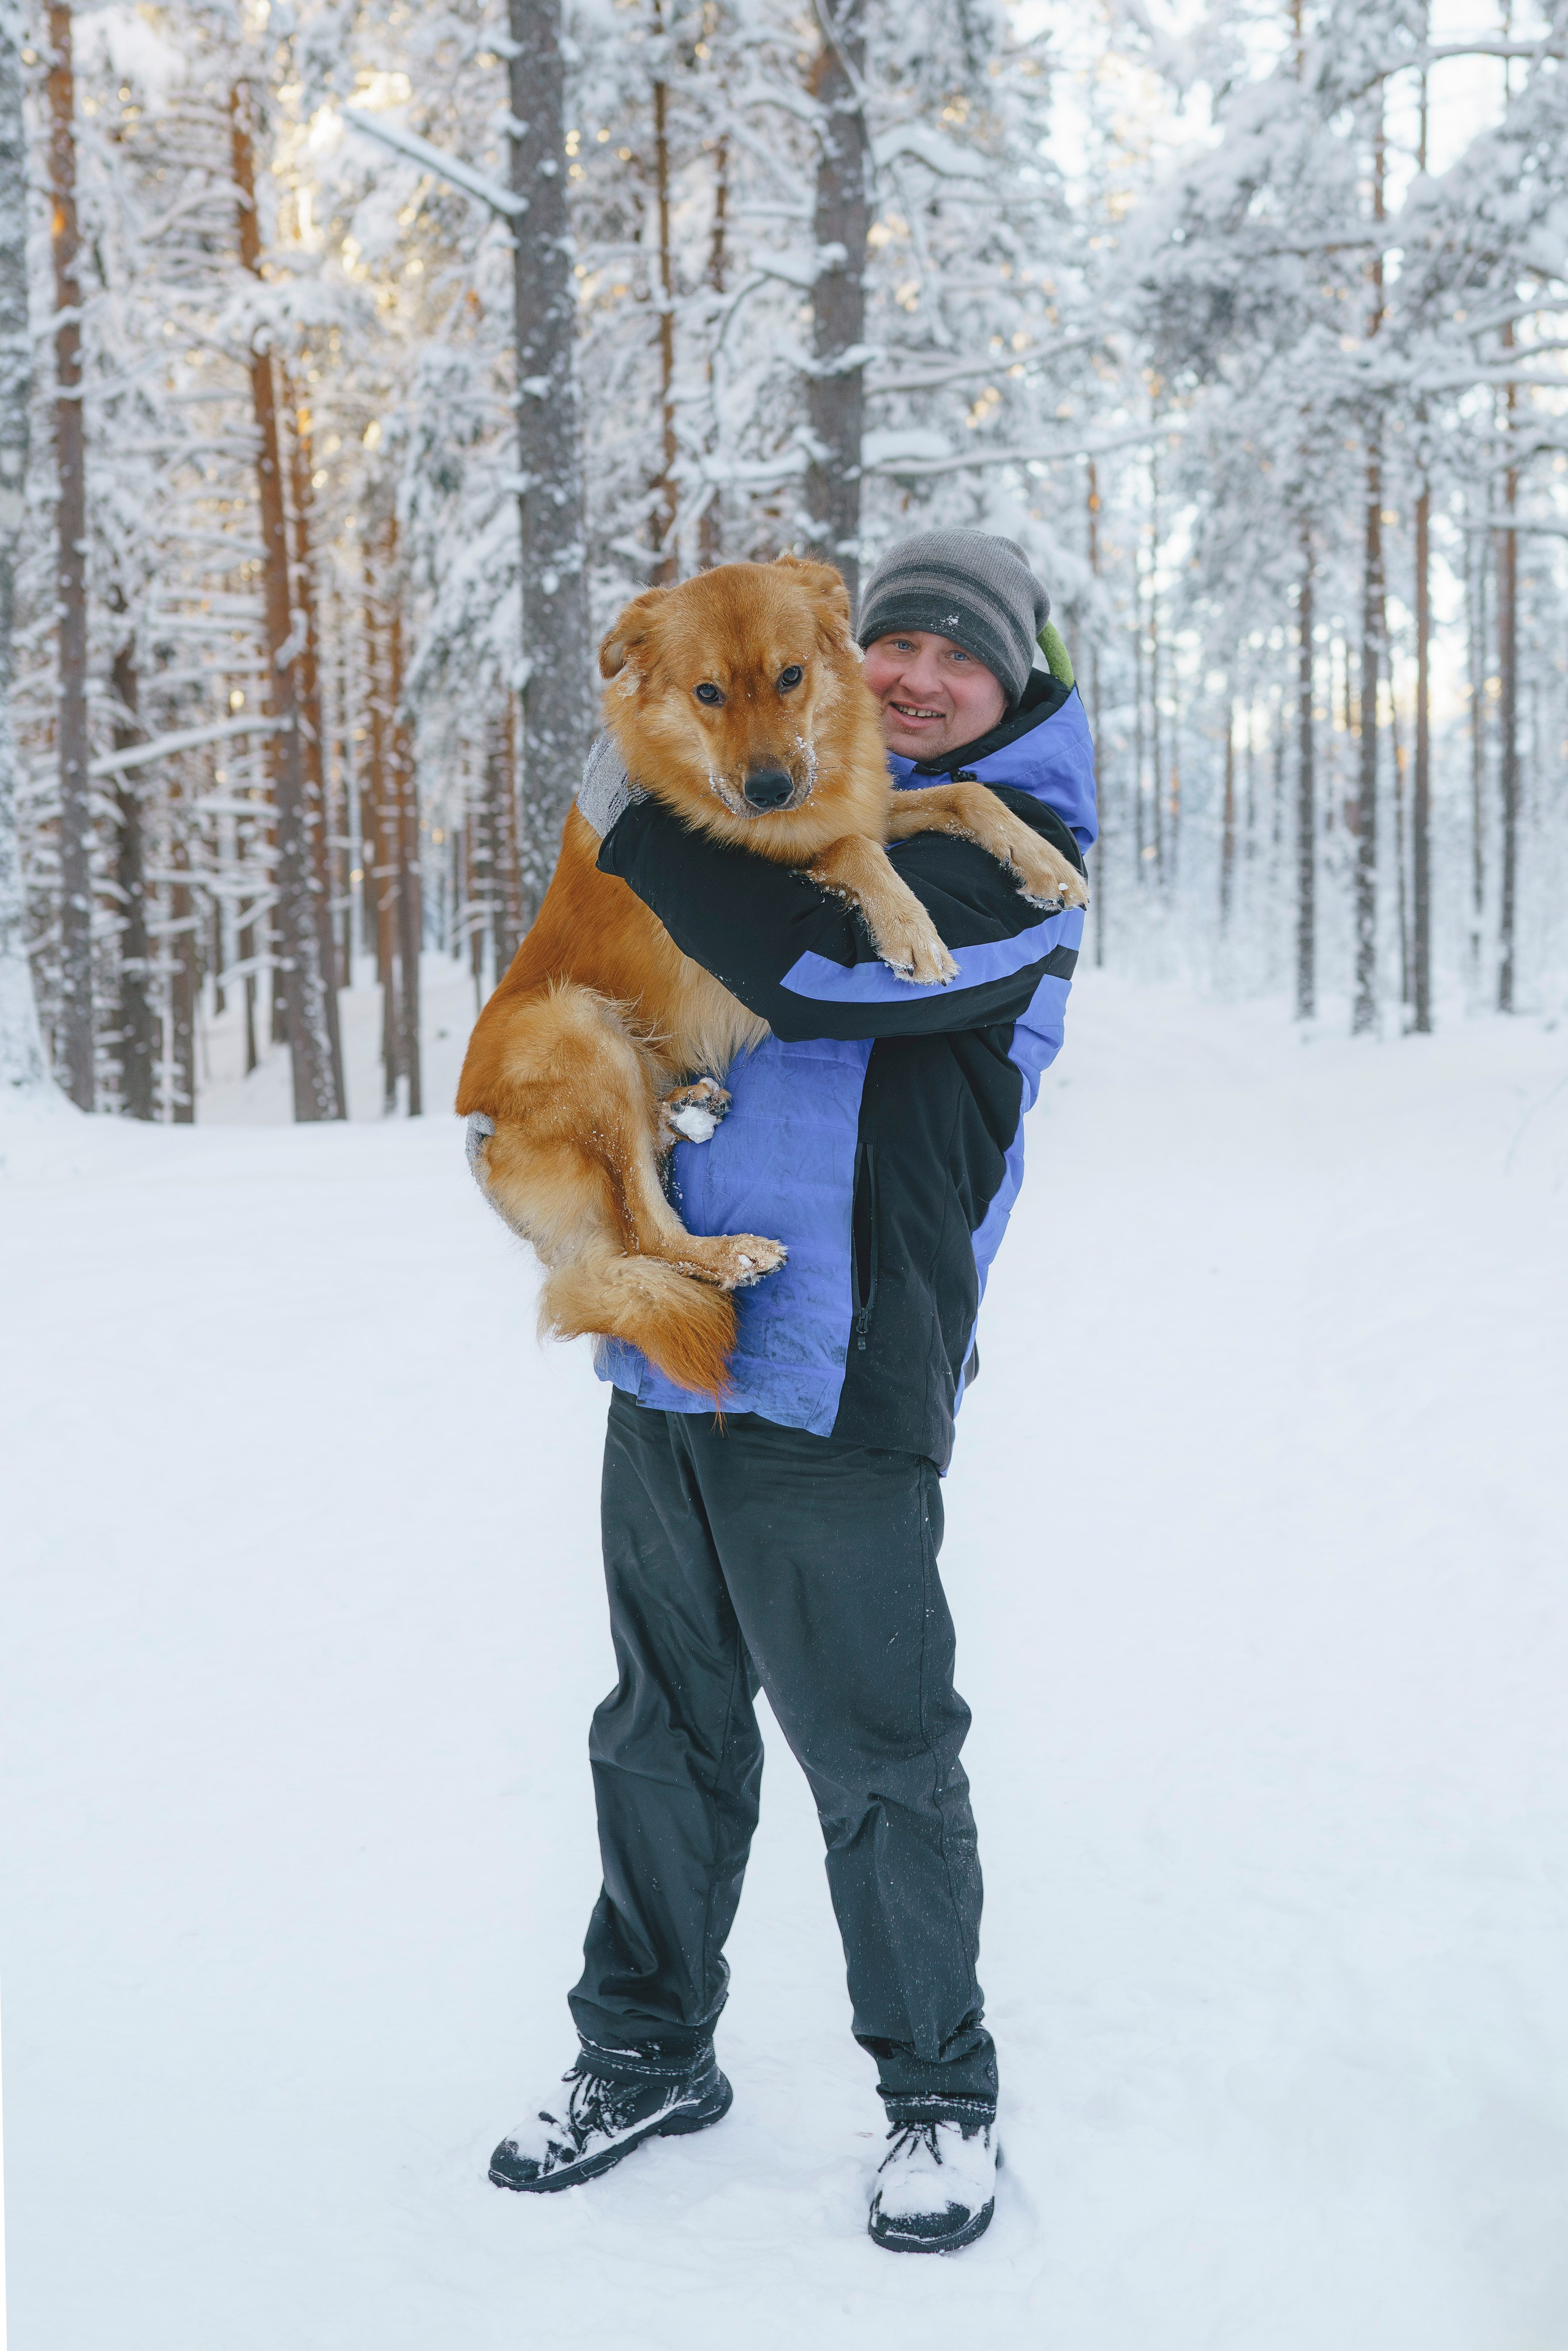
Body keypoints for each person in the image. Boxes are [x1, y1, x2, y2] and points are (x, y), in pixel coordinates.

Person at [484, 531, 1096, 2253]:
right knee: (659, 1736)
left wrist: (636, 801)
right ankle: (646, 2052)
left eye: (952, 660)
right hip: (680, 1336)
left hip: (845, 1376)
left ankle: (937, 2100)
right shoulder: (780, 780)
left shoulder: (1028, 873)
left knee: (878, 1751)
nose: (912, 677)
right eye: (889, 645)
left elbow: (810, 967)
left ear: (1016, 684)